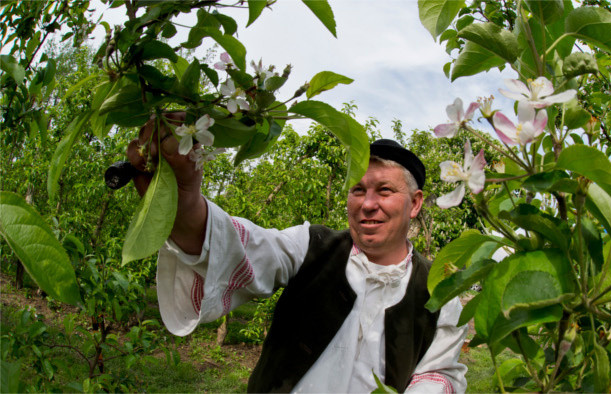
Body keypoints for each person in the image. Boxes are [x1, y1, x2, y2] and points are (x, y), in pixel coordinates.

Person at [127, 114, 468, 393]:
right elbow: (242, 248)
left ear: (416, 203)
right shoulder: (311, 246)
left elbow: (438, 375)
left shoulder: (441, 290)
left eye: (385, 190)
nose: (367, 204)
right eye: (357, 190)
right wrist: (184, 199)